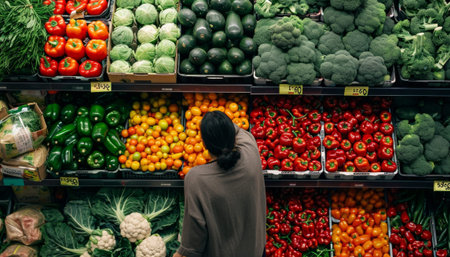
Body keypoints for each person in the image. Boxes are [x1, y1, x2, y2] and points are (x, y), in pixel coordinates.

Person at [173, 111, 266, 257]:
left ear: (203, 143)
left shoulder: (196, 178)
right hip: (255, 251)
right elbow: (235, 129)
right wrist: (218, 122)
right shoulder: (250, 149)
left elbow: (194, 238)